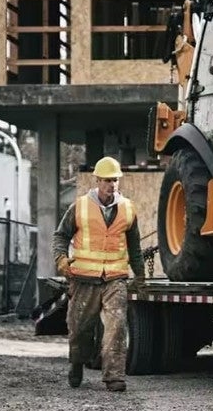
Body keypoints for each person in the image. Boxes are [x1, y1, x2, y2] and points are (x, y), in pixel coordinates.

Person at [52, 156, 145, 391]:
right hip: (83, 278)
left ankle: (114, 377)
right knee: (80, 328)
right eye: (106, 180)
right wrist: (61, 259)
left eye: (114, 180)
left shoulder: (127, 209)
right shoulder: (80, 207)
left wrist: (140, 276)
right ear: (97, 181)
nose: (111, 185)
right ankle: (77, 362)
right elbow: (61, 236)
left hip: (115, 278)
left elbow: (134, 247)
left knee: (116, 327)